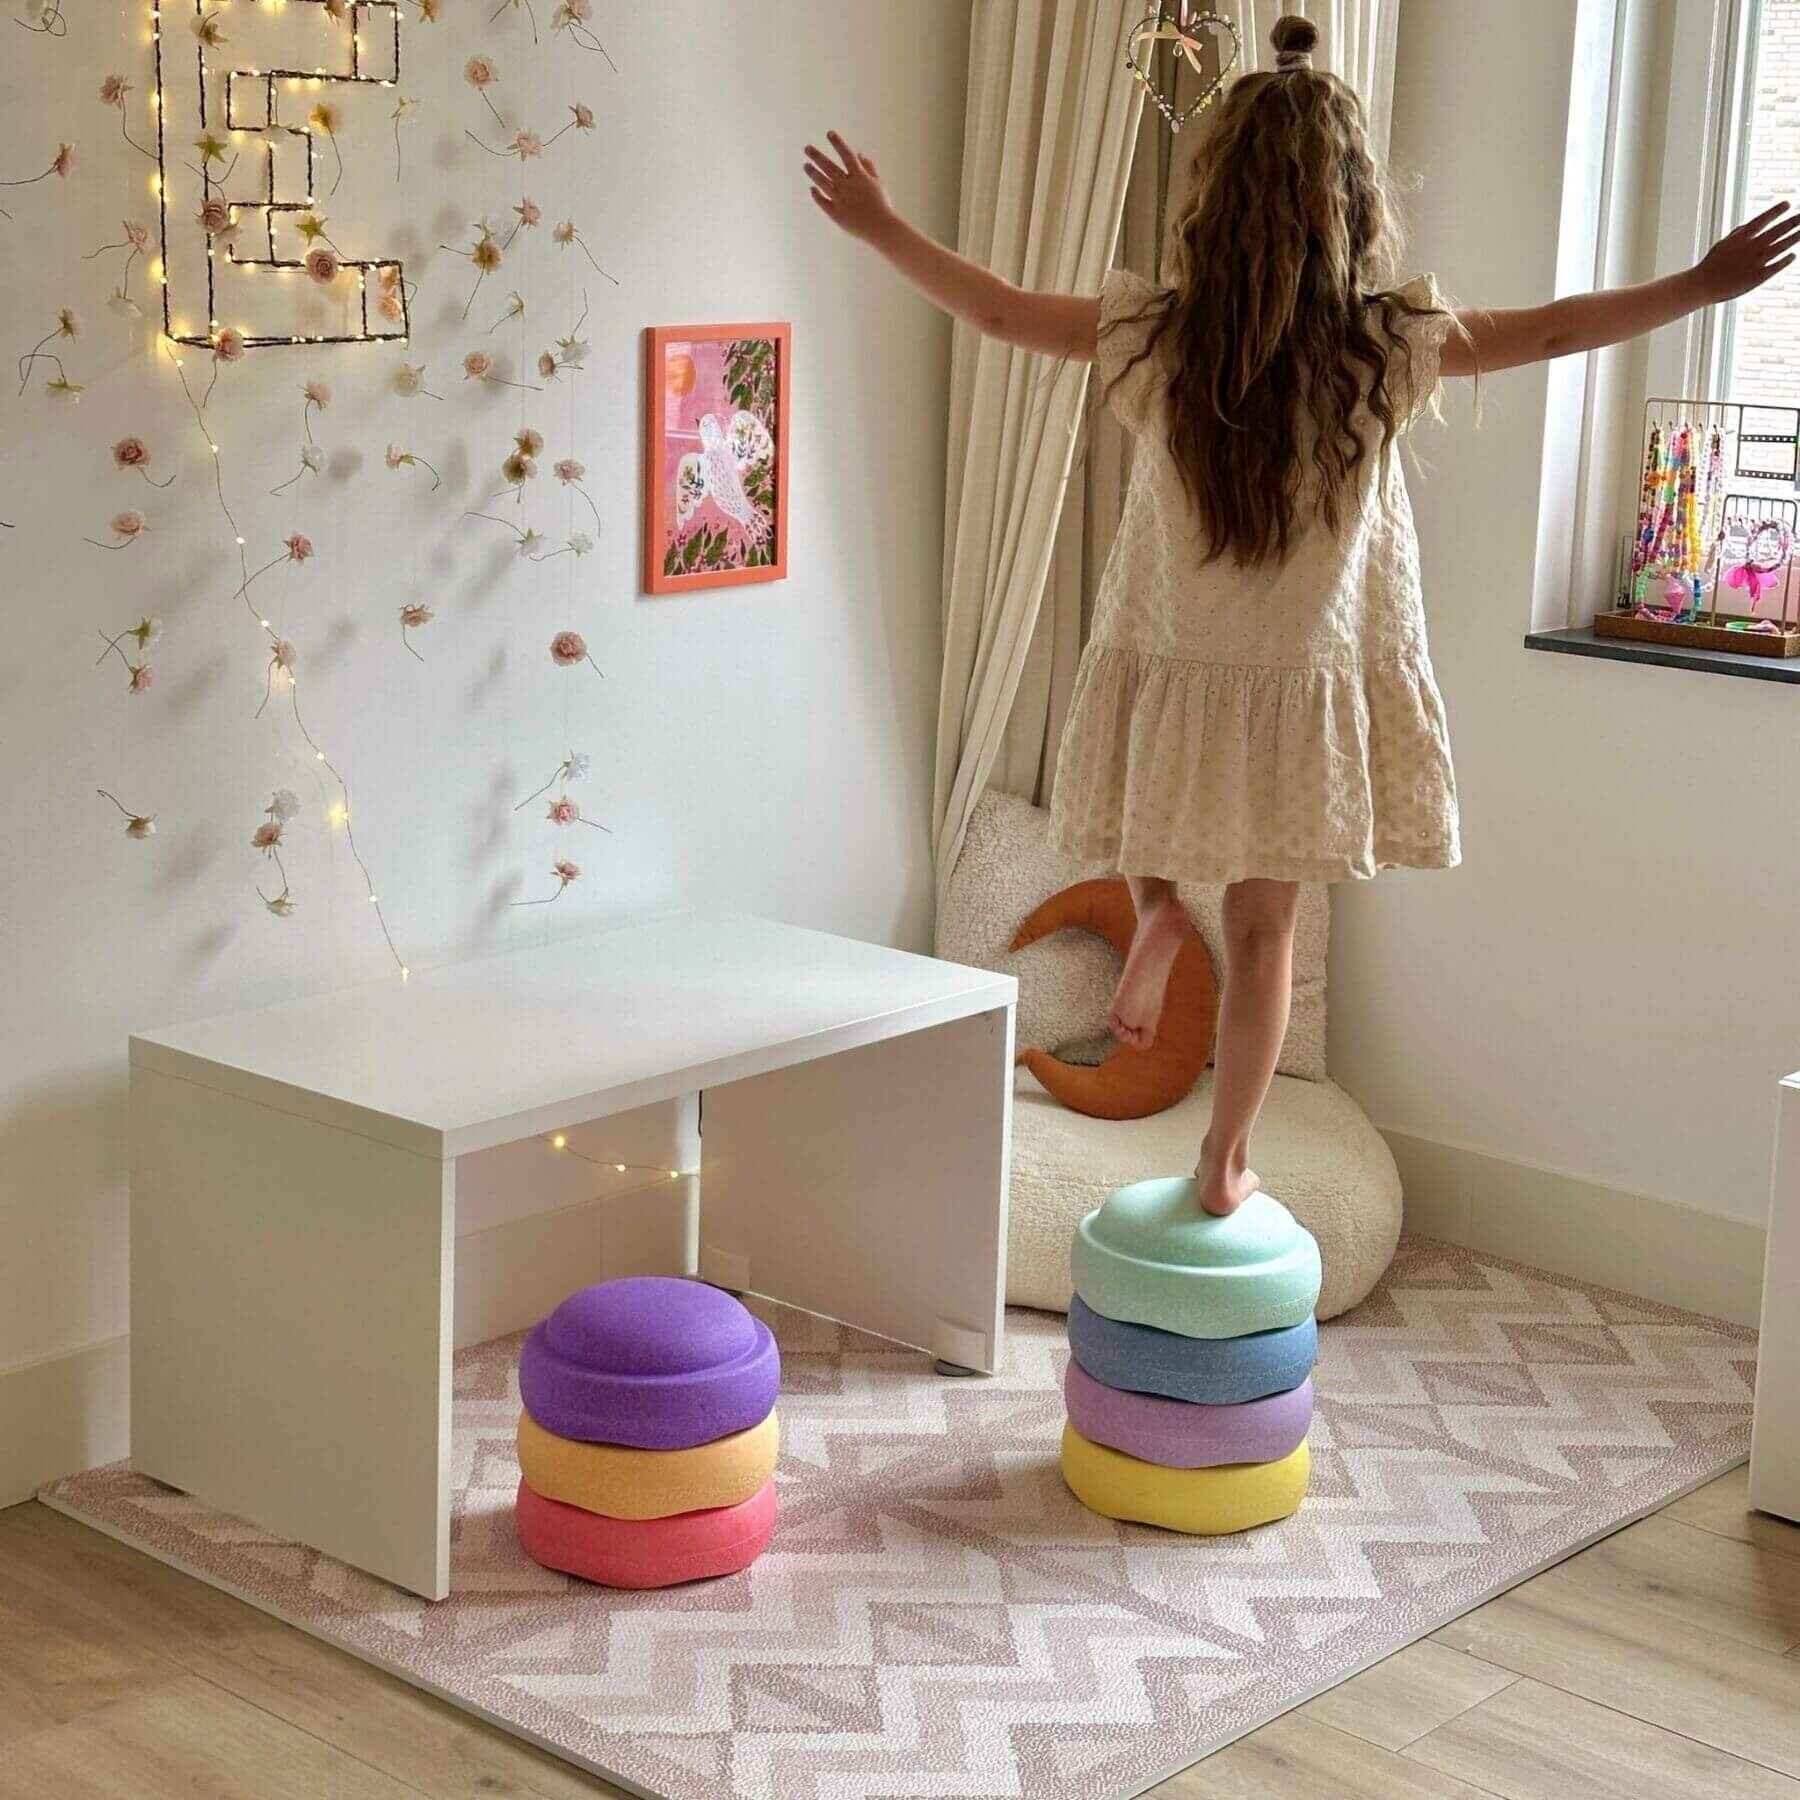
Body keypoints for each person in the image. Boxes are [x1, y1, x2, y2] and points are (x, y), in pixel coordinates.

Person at [803, 14, 1799, 1216]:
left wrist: (881, 228)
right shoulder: (1385, 345)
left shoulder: (1157, 333)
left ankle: (1160, 912)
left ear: (1209, 199)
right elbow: (1555, 330)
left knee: (1148, 821)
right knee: (1269, 929)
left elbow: (1006, 314)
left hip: (1175, 648)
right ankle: (1224, 1159)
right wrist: (1701, 285)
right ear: (1355, 206)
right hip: (1302, 672)